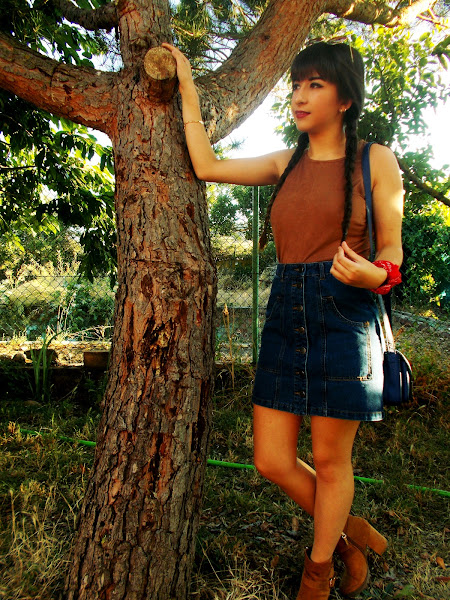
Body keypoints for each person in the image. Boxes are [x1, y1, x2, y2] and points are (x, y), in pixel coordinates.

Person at [162, 41, 403, 600]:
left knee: (330, 460)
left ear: (345, 98)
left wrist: (374, 273)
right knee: (270, 459)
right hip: (286, 307)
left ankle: (317, 574)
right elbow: (206, 166)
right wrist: (187, 85)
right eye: (296, 84)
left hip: (346, 312)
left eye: (315, 84)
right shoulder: (284, 163)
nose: (299, 95)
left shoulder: (375, 160)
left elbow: (392, 247)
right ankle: (348, 533)